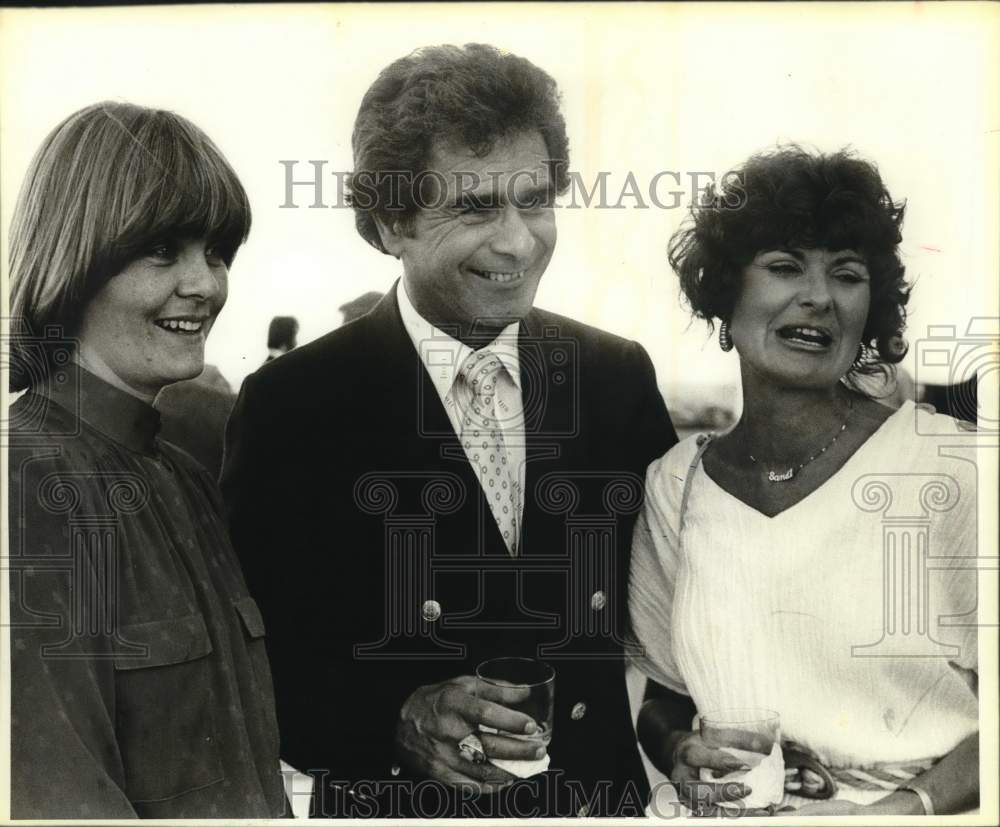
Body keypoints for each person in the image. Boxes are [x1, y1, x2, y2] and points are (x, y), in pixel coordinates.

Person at [221, 43, 681, 818]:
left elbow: (675, 625)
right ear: (391, 221)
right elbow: (254, 673)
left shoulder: (614, 377)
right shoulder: (291, 405)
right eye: (475, 207)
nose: (518, 242)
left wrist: (681, 740)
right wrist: (391, 722)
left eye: (534, 200)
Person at [630, 146, 979, 816]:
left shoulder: (948, 469)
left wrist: (903, 808)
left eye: (846, 274)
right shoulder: (677, 488)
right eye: (785, 266)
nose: (818, 297)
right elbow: (666, 698)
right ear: (727, 296)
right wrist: (679, 749)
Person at [7, 102, 286, 819]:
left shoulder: (184, 478)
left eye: (217, 253)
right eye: (163, 249)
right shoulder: (29, 483)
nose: (206, 284)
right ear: (76, 261)